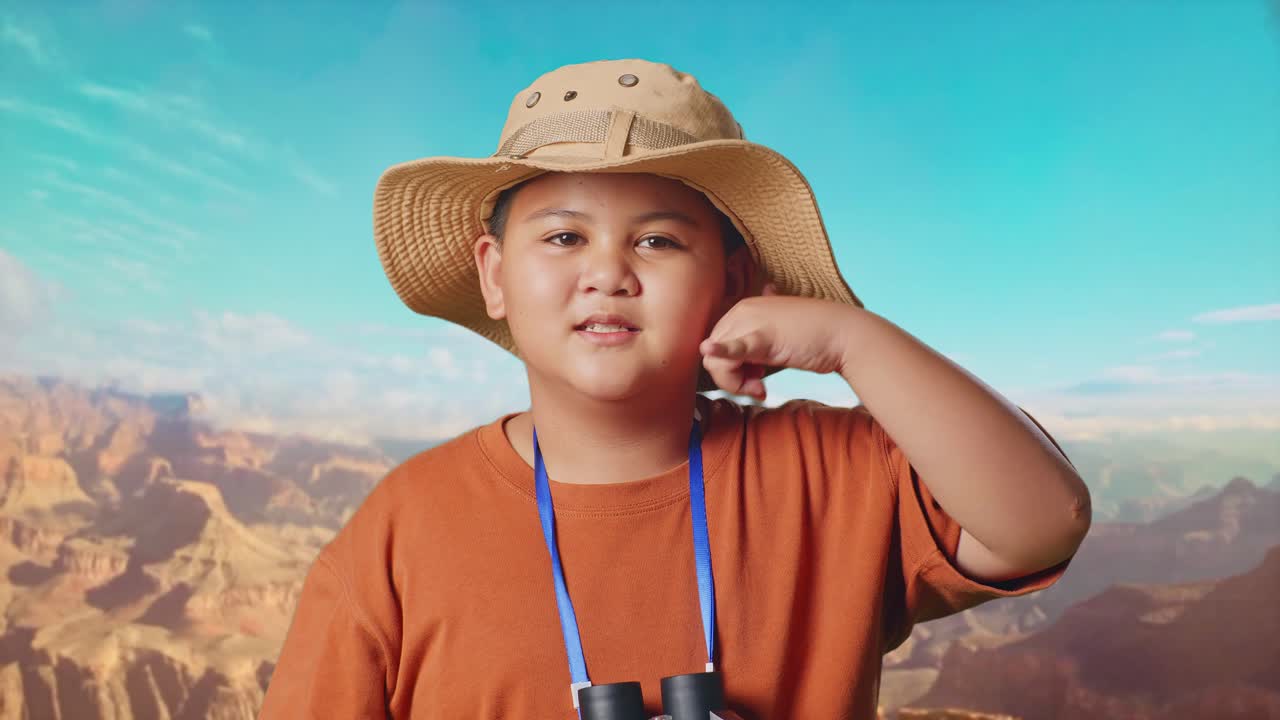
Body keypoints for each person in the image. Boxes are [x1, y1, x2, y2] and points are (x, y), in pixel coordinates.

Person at [259, 58, 1091, 719]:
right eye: (563, 236)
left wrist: (850, 340)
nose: (607, 274)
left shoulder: (830, 474)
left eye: (657, 240)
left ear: (733, 280)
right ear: (495, 275)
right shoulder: (404, 528)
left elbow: (1042, 523)